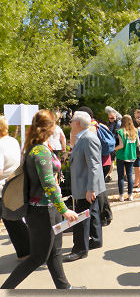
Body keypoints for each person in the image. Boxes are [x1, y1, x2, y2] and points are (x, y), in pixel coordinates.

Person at [1, 110, 81, 289]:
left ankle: (64, 288)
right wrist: (64, 209)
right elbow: (48, 184)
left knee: (54, 253)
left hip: (47, 210)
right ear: (49, 128)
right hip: (42, 212)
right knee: (38, 257)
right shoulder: (40, 151)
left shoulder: (39, 147)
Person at [63, 111, 105, 262]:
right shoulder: (83, 137)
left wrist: (91, 189)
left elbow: (94, 165)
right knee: (91, 213)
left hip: (85, 187)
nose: (69, 123)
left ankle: (80, 249)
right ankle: (96, 240)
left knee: (81, 219)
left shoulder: (87, 138)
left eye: (72, 121)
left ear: (78, 124)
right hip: (85, 185)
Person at [76, 106, 113, 227]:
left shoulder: (90, 129)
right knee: (101, 189)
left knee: (98, 191)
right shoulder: (101, 125)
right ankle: (107, 214)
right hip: (106, 161)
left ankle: (103, 216)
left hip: (98, 163)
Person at [0, 116, 30, 260]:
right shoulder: (12, 141)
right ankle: (26, 250)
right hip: (14, 185)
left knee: (12, 221)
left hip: (2, 188)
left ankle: (27, 251)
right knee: (14, 220)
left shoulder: (0, 144)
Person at [115, 115, 138, 201]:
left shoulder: (120, 131)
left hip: (121, 156)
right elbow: (138, 144)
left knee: (121, 176)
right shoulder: (135, 131)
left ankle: (121, 196)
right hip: (131, 155)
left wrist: (114, 148)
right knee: (130, 175)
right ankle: (130, 195)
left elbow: (121, 145)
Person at [105, 106, 122, 183]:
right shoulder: (110, 123)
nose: (110, 119)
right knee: (112, 160)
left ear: (115, 116)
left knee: (119, 160)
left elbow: (117, 134)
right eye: (109, 118)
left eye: (112, 118)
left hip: (117, 143)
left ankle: (122, 175)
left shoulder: (118, 123)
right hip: (111, 143)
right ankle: (109, 174)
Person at [132, 118, 140, 193]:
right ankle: (136, 183)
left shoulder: (136, 131)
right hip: (139, 151)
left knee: (138, 168)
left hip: (136, 151)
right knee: (136, 168)